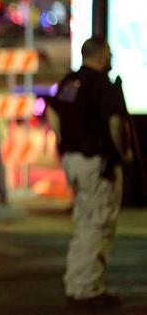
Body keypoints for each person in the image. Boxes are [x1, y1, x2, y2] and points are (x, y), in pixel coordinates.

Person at [46, 36, 132, 310]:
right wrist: (124, 153)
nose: (112, 58)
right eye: (109, 53)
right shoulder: (103, 86)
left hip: (73, 160)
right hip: (97, 162)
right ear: (102, 55)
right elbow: (116, 123)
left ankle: (77, 284)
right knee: (98, 224)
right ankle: (87, 290)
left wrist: (63, 142)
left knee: (85, 222)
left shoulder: (70, 82)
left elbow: (53, 112)